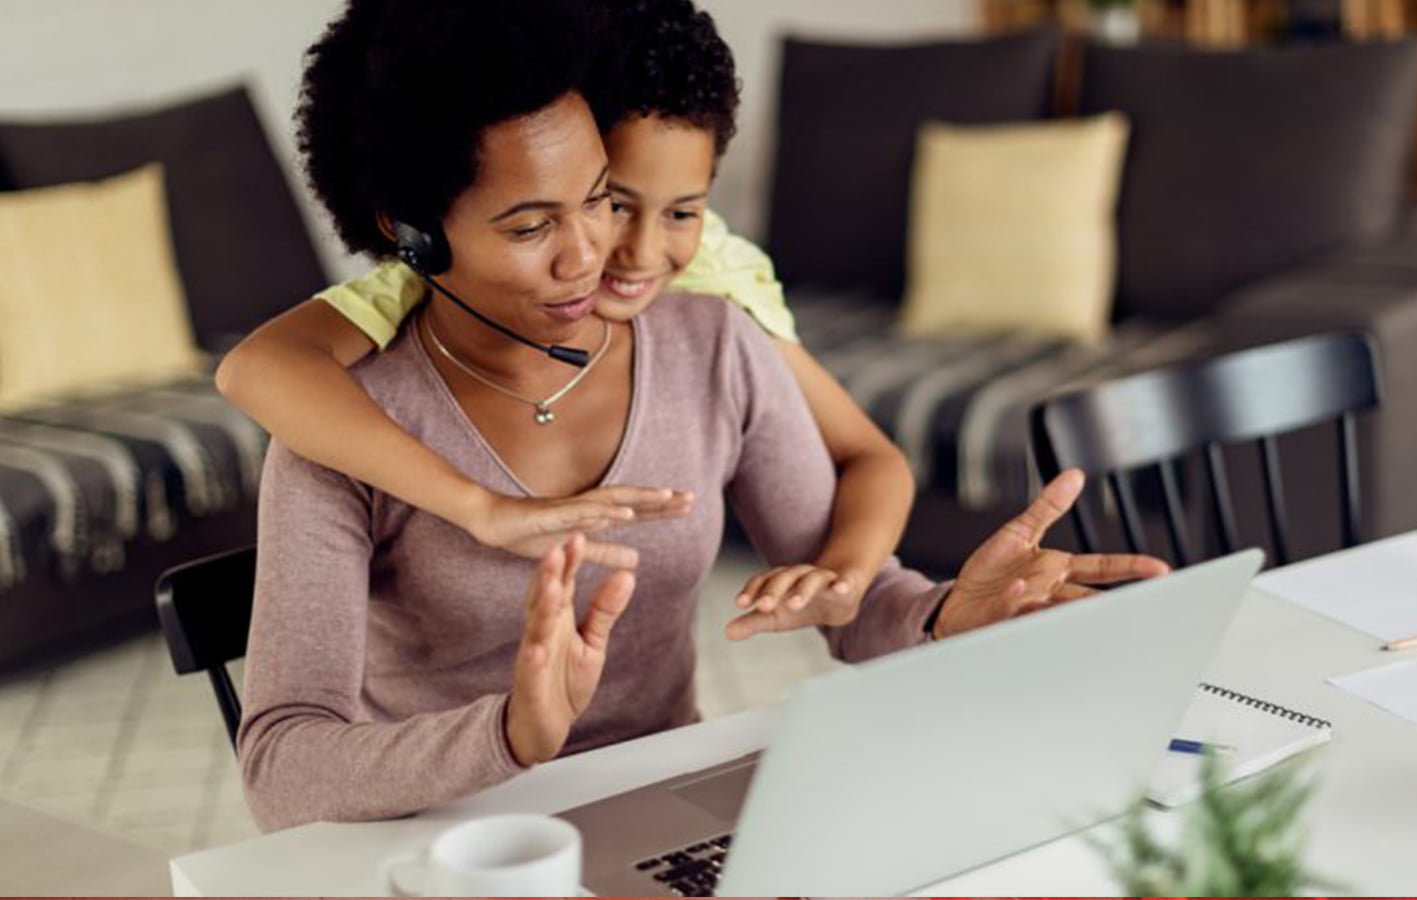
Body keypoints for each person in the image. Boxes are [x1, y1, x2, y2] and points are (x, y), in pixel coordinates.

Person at [238, 0, 1168, 832]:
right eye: (531, 227)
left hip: (663, 813)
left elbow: (855, 608)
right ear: (413, 234)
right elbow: (280, 767)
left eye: (597, 198)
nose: (590, 254)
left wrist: (940, 617)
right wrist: (510, 734)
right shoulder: (341, 427)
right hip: (450, 841)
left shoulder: (711, 346)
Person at [215, 0, 915, 631]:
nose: (614, 252)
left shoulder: (714, 287)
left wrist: (848, 578)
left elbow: (869, 459)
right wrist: (477, 509)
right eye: (611, 201)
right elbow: (258, 367)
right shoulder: (421, 279)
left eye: (598, 200)